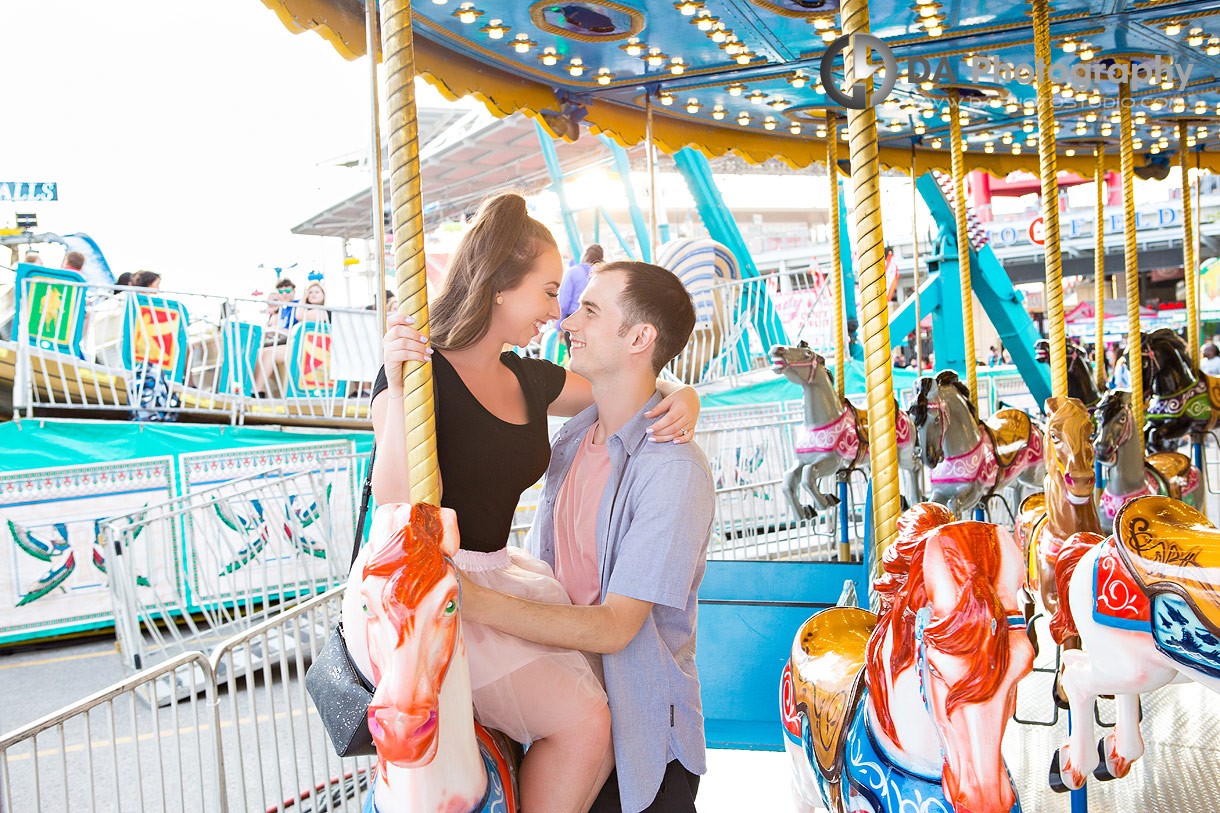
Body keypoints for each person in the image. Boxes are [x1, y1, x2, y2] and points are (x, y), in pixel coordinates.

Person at [372, 193, 699, 813]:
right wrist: (396, 387)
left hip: (493, 576)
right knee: (583, 722)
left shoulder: (529, 380)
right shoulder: (419, 373)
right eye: (549, 292)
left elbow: (628, 379)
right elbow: (395, 499)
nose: (559, 312)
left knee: (586, 707)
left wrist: (685, 393)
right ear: (500, 287)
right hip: (426, 584)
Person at [460, 261, 714, 813]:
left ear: (640, 337)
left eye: (590, 310)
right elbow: (555, 579)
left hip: (636, 745)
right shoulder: (573, 441)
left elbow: (615, 626)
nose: (568, 320)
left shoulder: (672, 470)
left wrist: (476, 602)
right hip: (570, 713)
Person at [252, 278, 299, 396]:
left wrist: (278, 330)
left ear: (294, 291)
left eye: (288, 290)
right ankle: (258, 389)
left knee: (269, 353)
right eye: (281, 292)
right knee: (258, 352)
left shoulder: (298, 305)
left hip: (296, 344)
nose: (285, 294)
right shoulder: (282, 310)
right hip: (284, 343)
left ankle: (256, 392)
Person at [560, 244, 604, 324]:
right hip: (595, 320)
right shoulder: (603, 274)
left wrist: (559, 325)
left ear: (586, 254)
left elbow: (564, 303)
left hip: (573, 318)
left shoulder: (572, 272)